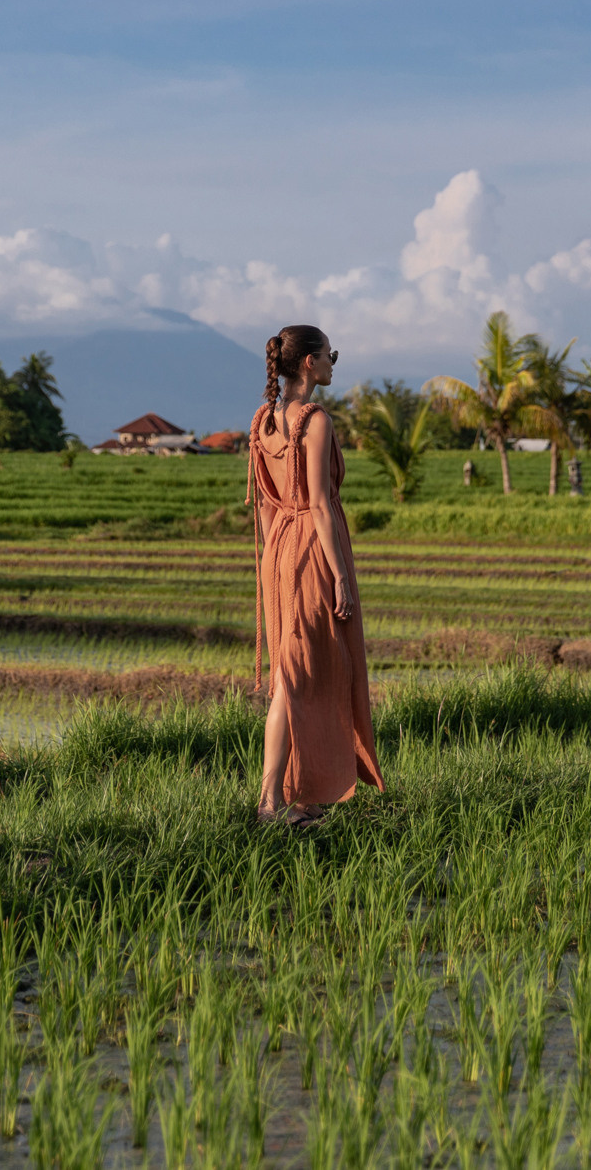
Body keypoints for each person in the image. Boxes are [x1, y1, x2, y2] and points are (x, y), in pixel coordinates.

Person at [248, 324, 384, 825]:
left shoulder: (263, 420)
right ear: (309, 362)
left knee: (303, 670)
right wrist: (341, 575)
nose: (334, 362)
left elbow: (264, 504)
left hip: (279, 551)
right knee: (295, 677)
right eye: (330, 354)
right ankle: (269, 804)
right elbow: (322, 507)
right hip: (310, 551)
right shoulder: (316, 420)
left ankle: (300, 794)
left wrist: (272, 561)